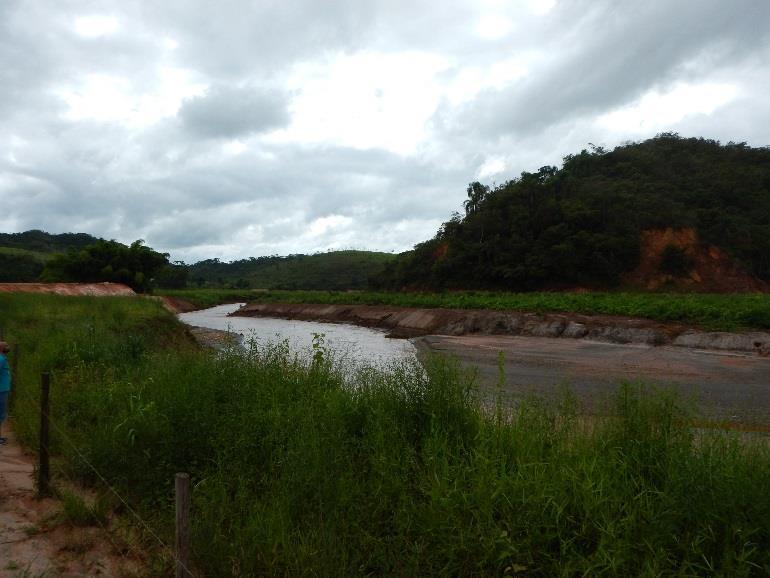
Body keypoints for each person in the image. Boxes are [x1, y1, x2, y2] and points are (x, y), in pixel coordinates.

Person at [0, 341, 10, 445]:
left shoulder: (2, 359)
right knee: (1, 414)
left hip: (3, 390)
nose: (8, 348)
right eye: (6, 346)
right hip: (1, 390)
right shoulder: (1, 359)